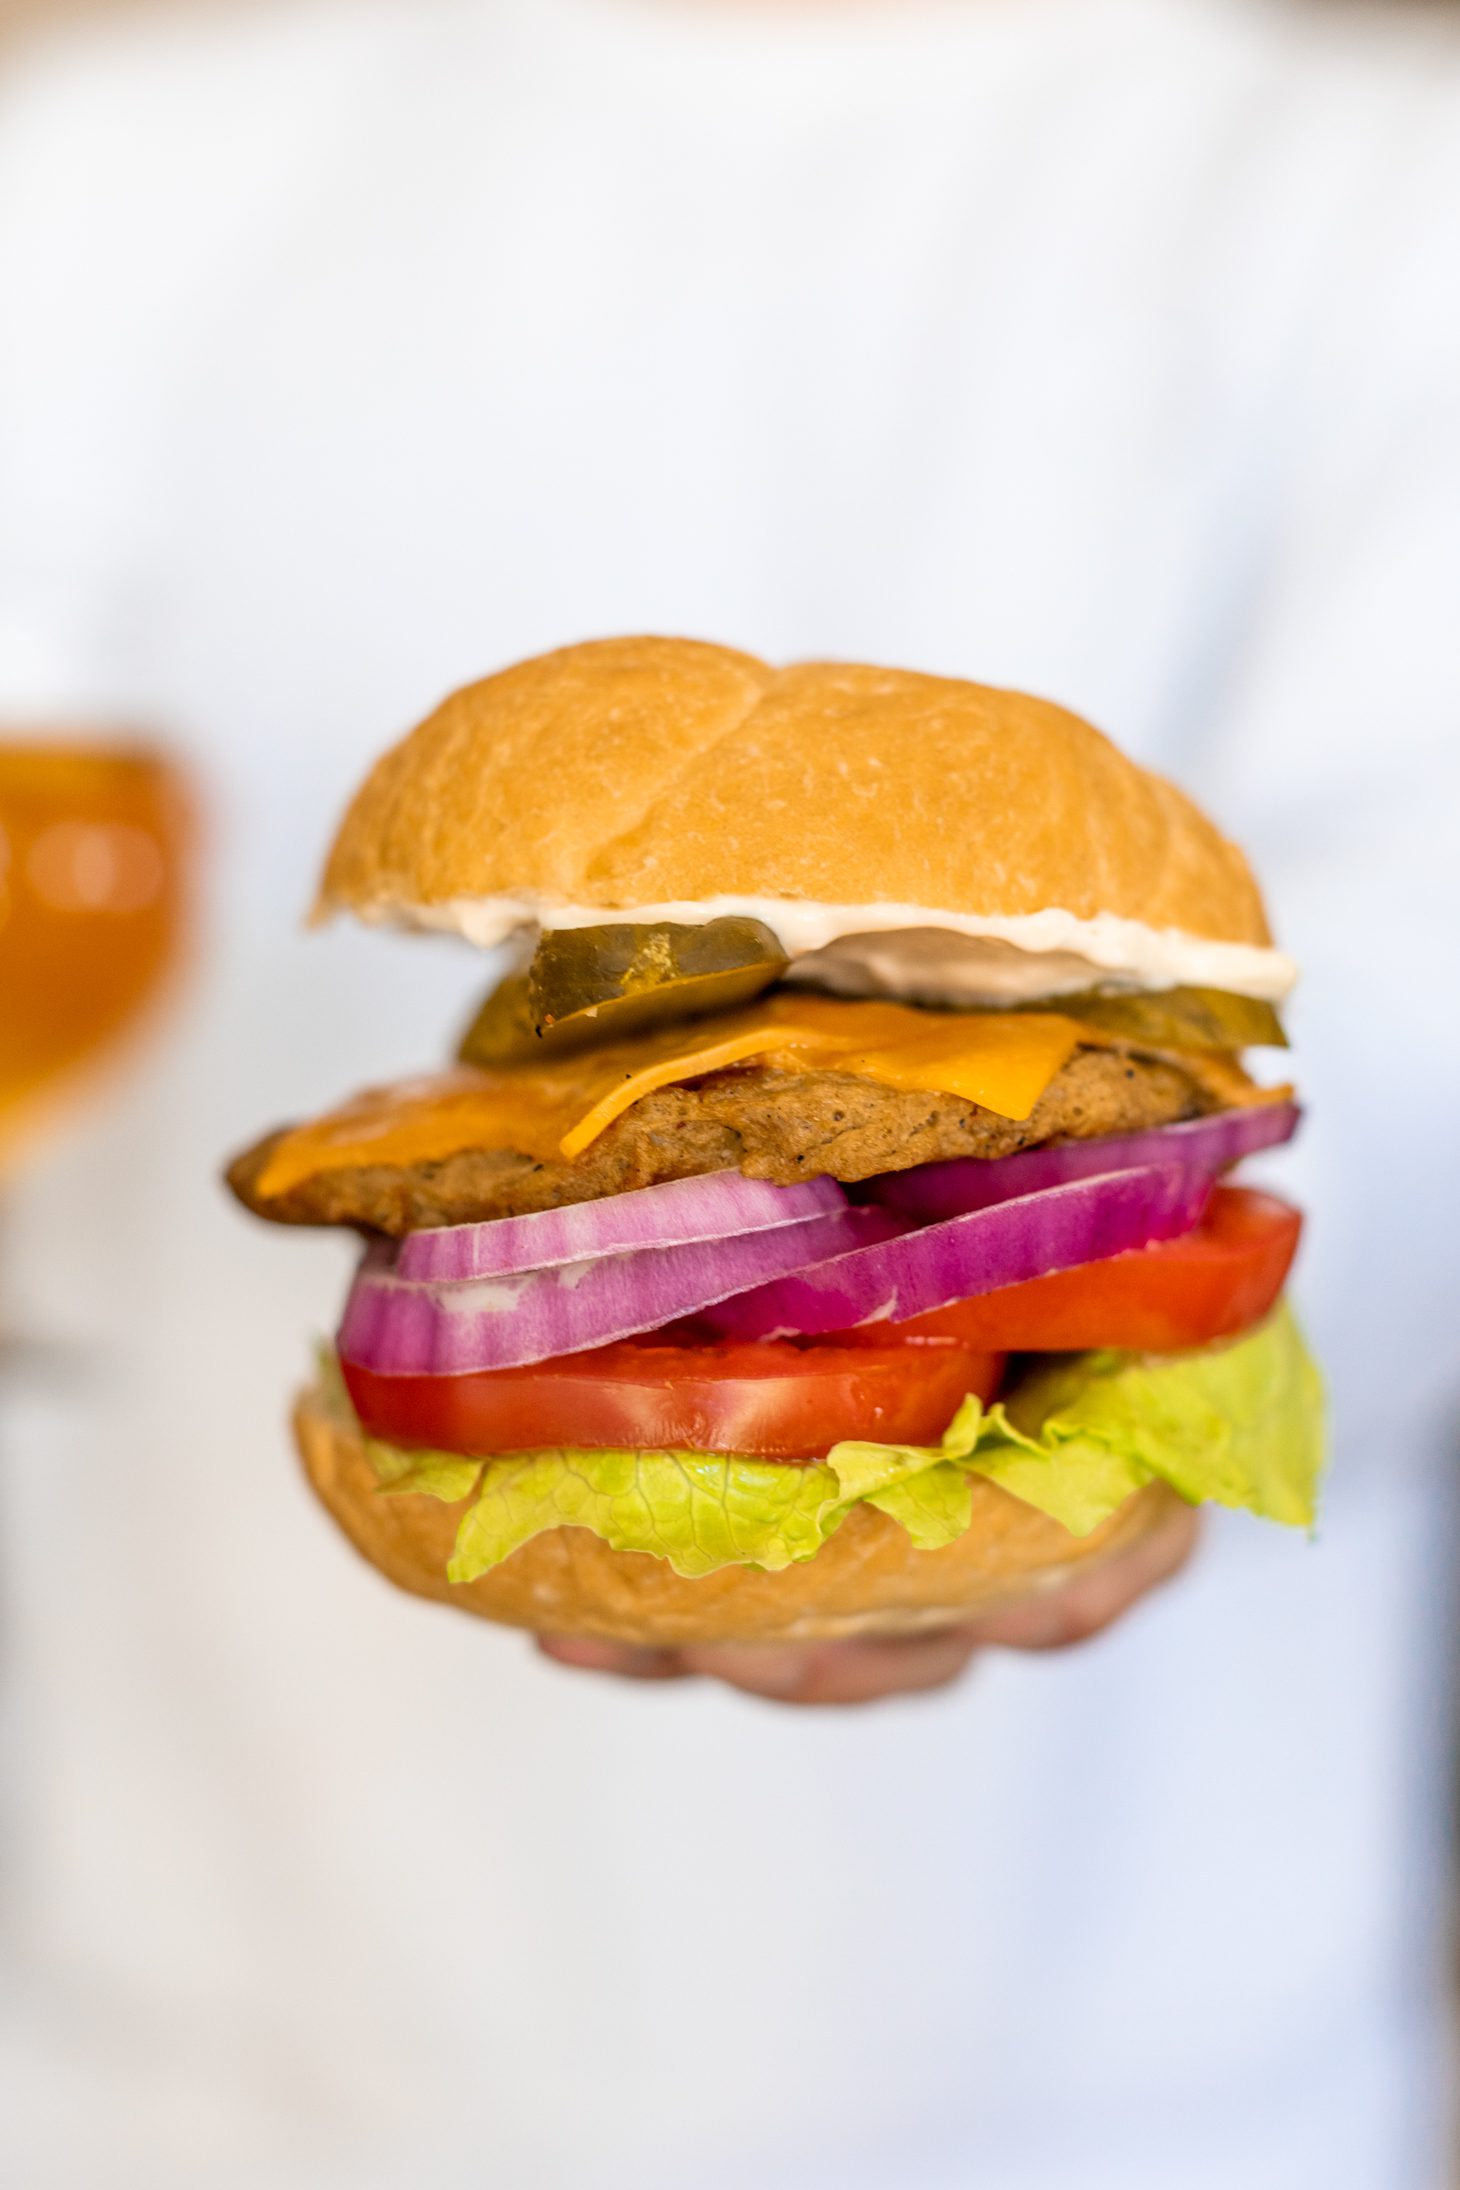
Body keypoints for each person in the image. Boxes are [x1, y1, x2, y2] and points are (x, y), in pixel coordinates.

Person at [0, 0, 1457, 2183]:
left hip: (1127, 2046)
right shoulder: (82, 168)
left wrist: (1019, 1300)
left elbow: (1412, 1022)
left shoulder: (1384, 190)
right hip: (208, 2017)